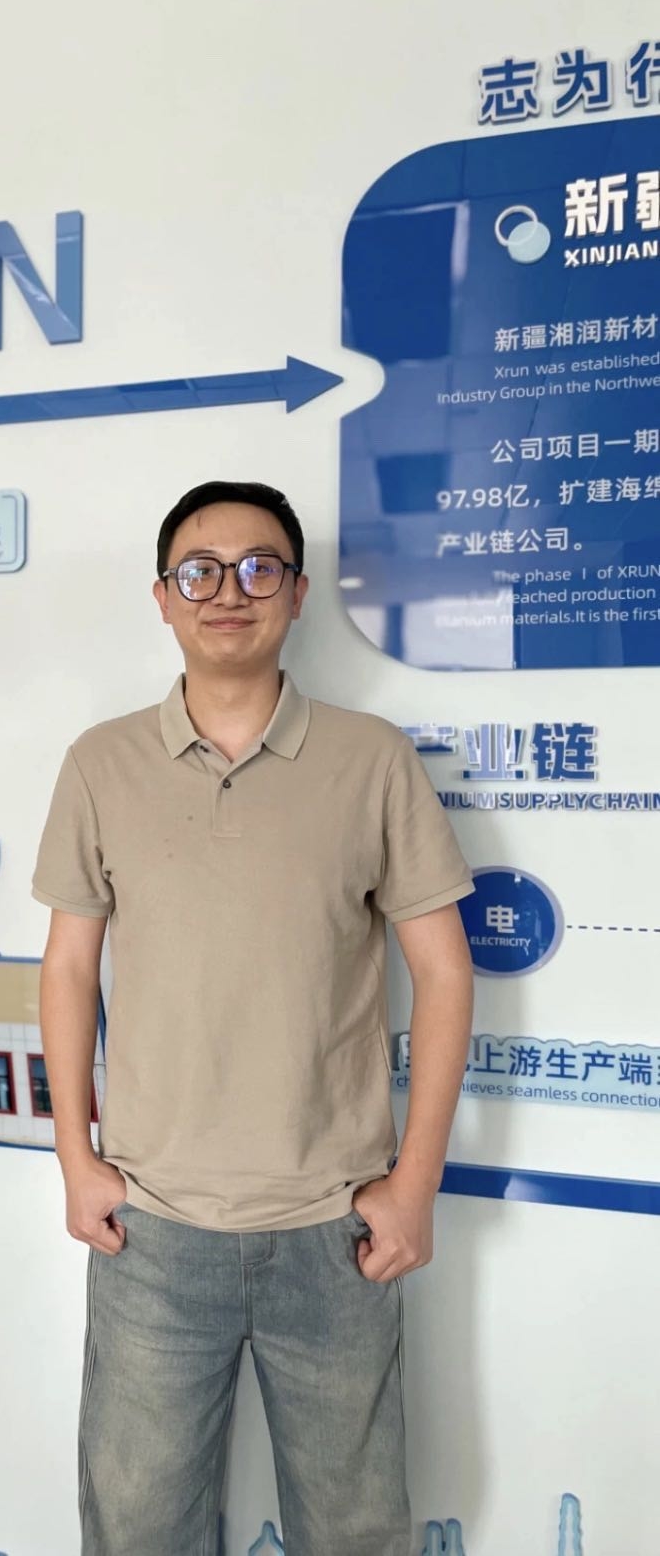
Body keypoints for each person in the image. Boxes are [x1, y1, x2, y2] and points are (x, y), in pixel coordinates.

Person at [32, 481, 475, 1556]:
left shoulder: (372, 760)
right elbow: (70, 967)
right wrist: (75, 1161)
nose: (228, 591)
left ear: (298, 592)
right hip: (151, 1227)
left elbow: (445, 972)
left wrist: (414, 1184)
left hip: (336, 1230)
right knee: (137, 1531)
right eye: (200, 571)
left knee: (355, 1533)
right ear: (163, 597)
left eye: (258, 567)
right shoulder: (100, 762)